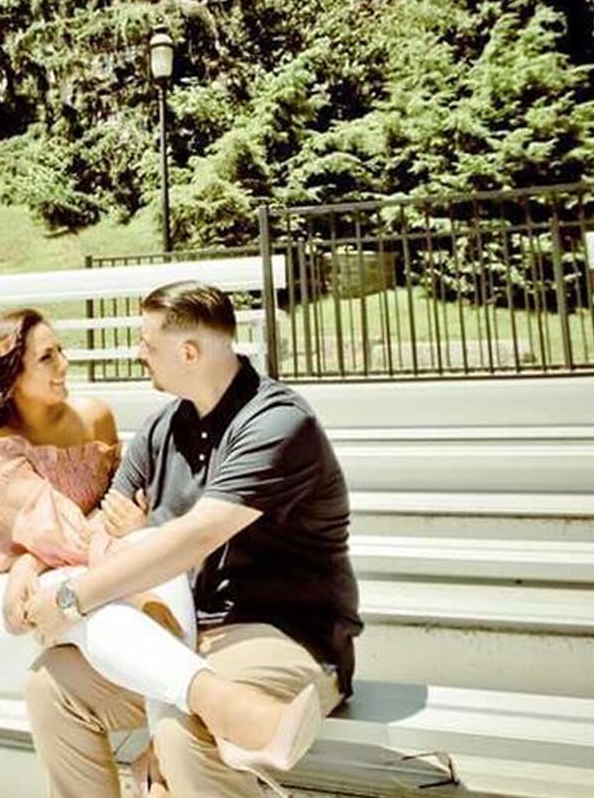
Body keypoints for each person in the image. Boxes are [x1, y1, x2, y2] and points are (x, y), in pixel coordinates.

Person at [0, 308, 326, 792]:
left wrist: (122, 538)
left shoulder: (94, 416)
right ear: (10, 374)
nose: (64, 365)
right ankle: (219, 701)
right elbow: (62, 534)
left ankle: (179, 720)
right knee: (105, 581)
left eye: (62, 351)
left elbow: (110, 509)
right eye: (46, 357)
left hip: (65, 583)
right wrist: (32, 562)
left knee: (131, 560)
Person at [20, 281, 362, 797]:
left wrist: (72, 598)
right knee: (52, 684)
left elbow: (195, 536)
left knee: (183, 734)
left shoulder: (278, 423)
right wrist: (28, 566)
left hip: (282, 634)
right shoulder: (160, 429)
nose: (138, 353)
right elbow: (99, 533)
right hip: (179, 632)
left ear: (188, 352)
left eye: (147, 343)